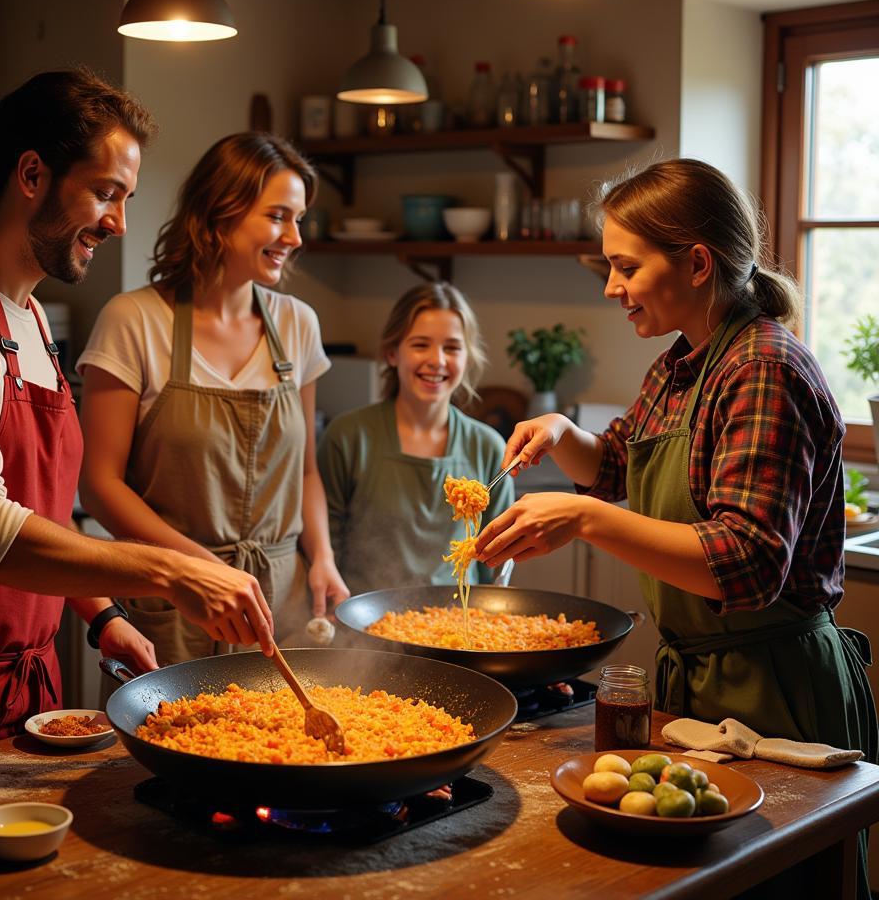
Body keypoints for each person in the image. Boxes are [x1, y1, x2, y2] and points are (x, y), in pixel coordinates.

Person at [475, 159, 876, 896]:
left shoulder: (765, 369)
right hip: (702, 684)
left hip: (777, 691)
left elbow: (747, 561)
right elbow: (617, 464)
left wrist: (588, 519)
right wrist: (563, 432)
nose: (610, 286)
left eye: (625, 266)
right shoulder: (681, 365)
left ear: (697, 263)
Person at [0, 69, 274, 774]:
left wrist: (102, 613)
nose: (119, 223)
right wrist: (172, 572)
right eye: (106, 193)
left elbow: (39, 510)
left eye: (126, 199)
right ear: (30, 174)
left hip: (25, 686)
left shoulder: (32, 320)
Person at [77, 132, 348, 670]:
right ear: (221, 212)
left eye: (299, 219)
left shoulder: (297, 325)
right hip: (173, 602)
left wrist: (323, 558)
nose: (294, 237)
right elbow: (99, 484)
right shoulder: (134, 321)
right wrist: (201, 569)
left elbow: (307, 472)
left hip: (281, 603)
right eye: (278, 217)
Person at [318, 281, 514, 598]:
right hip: (362, 625)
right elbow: (325, 544)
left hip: (458, 626)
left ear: (467, 358)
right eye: (421, 345)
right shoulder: (349, 437)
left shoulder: (488, 447)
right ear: (392, 353)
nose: (437, 360)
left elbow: (498, 562)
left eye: (452, 347)